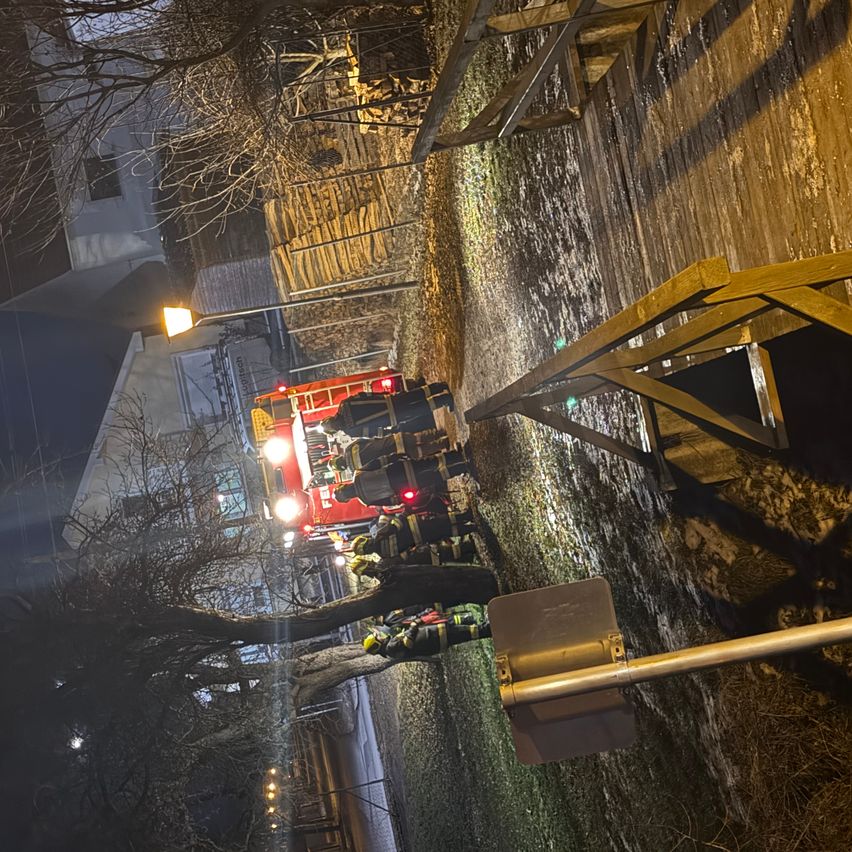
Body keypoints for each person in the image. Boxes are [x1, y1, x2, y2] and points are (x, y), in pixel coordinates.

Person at [333, 450, 468, 507]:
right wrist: (394, 456)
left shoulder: (366, 500)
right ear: (344, 486)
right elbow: (378, 462)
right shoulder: (358, 474)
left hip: (403, 487)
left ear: (348, 499)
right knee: (429, 462)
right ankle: (456, 455)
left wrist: (403, 498)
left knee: (435, 477)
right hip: (398, 470)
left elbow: (390, 501)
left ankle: (462, 467)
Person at [321, 383, 453, 438]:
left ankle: (444, 400)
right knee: (415, 395)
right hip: (387, 401)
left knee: (420, 409)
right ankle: (439, 386)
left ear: (334, 430)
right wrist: (382, 394)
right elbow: (364, 395)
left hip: (391, 417)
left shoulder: (350, 431)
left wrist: (389, 432)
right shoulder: (344, 405)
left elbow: (372, 432)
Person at [352, 507, 478, 559]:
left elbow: (405, 553)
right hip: (416, 525)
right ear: (365, 542)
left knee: (445, 532)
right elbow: (396, 525)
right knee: (443, 520)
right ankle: (466, 515)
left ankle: (471, 528)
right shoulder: (378, 534)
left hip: (420, 539)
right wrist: (404, 513)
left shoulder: (384, 554)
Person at [363, 615, 491, 659]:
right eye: (378, 637)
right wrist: (413, 626)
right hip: (436, 637)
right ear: (376, 644)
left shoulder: (391, 647)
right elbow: (408, 644)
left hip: (436, 637)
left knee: (467, 632)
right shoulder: (390, 648)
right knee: (467, 632)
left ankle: (487, 628)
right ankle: (488, 628)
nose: (380, 636)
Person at [331, 430, 449, 472]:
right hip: (391, 442)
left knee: (421, 451)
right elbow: (364, 440)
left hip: (396, 456)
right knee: (417, 438)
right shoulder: (348, 450)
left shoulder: (357, 471)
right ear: (338, 458)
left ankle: (443, 444)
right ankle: (439, 433)